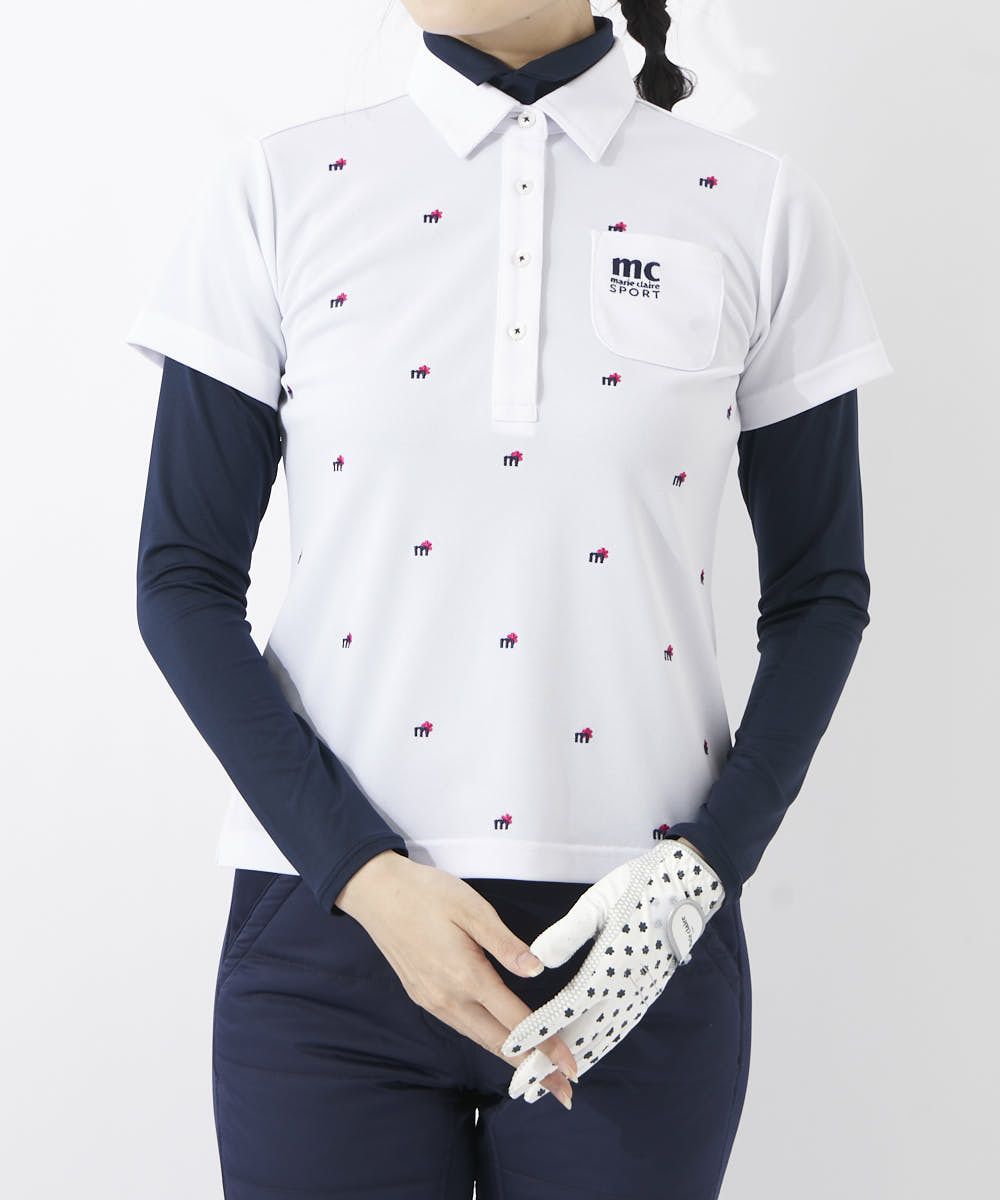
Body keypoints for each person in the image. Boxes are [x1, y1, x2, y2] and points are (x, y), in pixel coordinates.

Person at [126, 2, 893, 1196]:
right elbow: (182, 577)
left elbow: (819, 593)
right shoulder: (279, 191)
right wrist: (363, 879)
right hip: (327, 928)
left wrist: (704, 874)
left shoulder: (755, 207)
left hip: (641, 946)